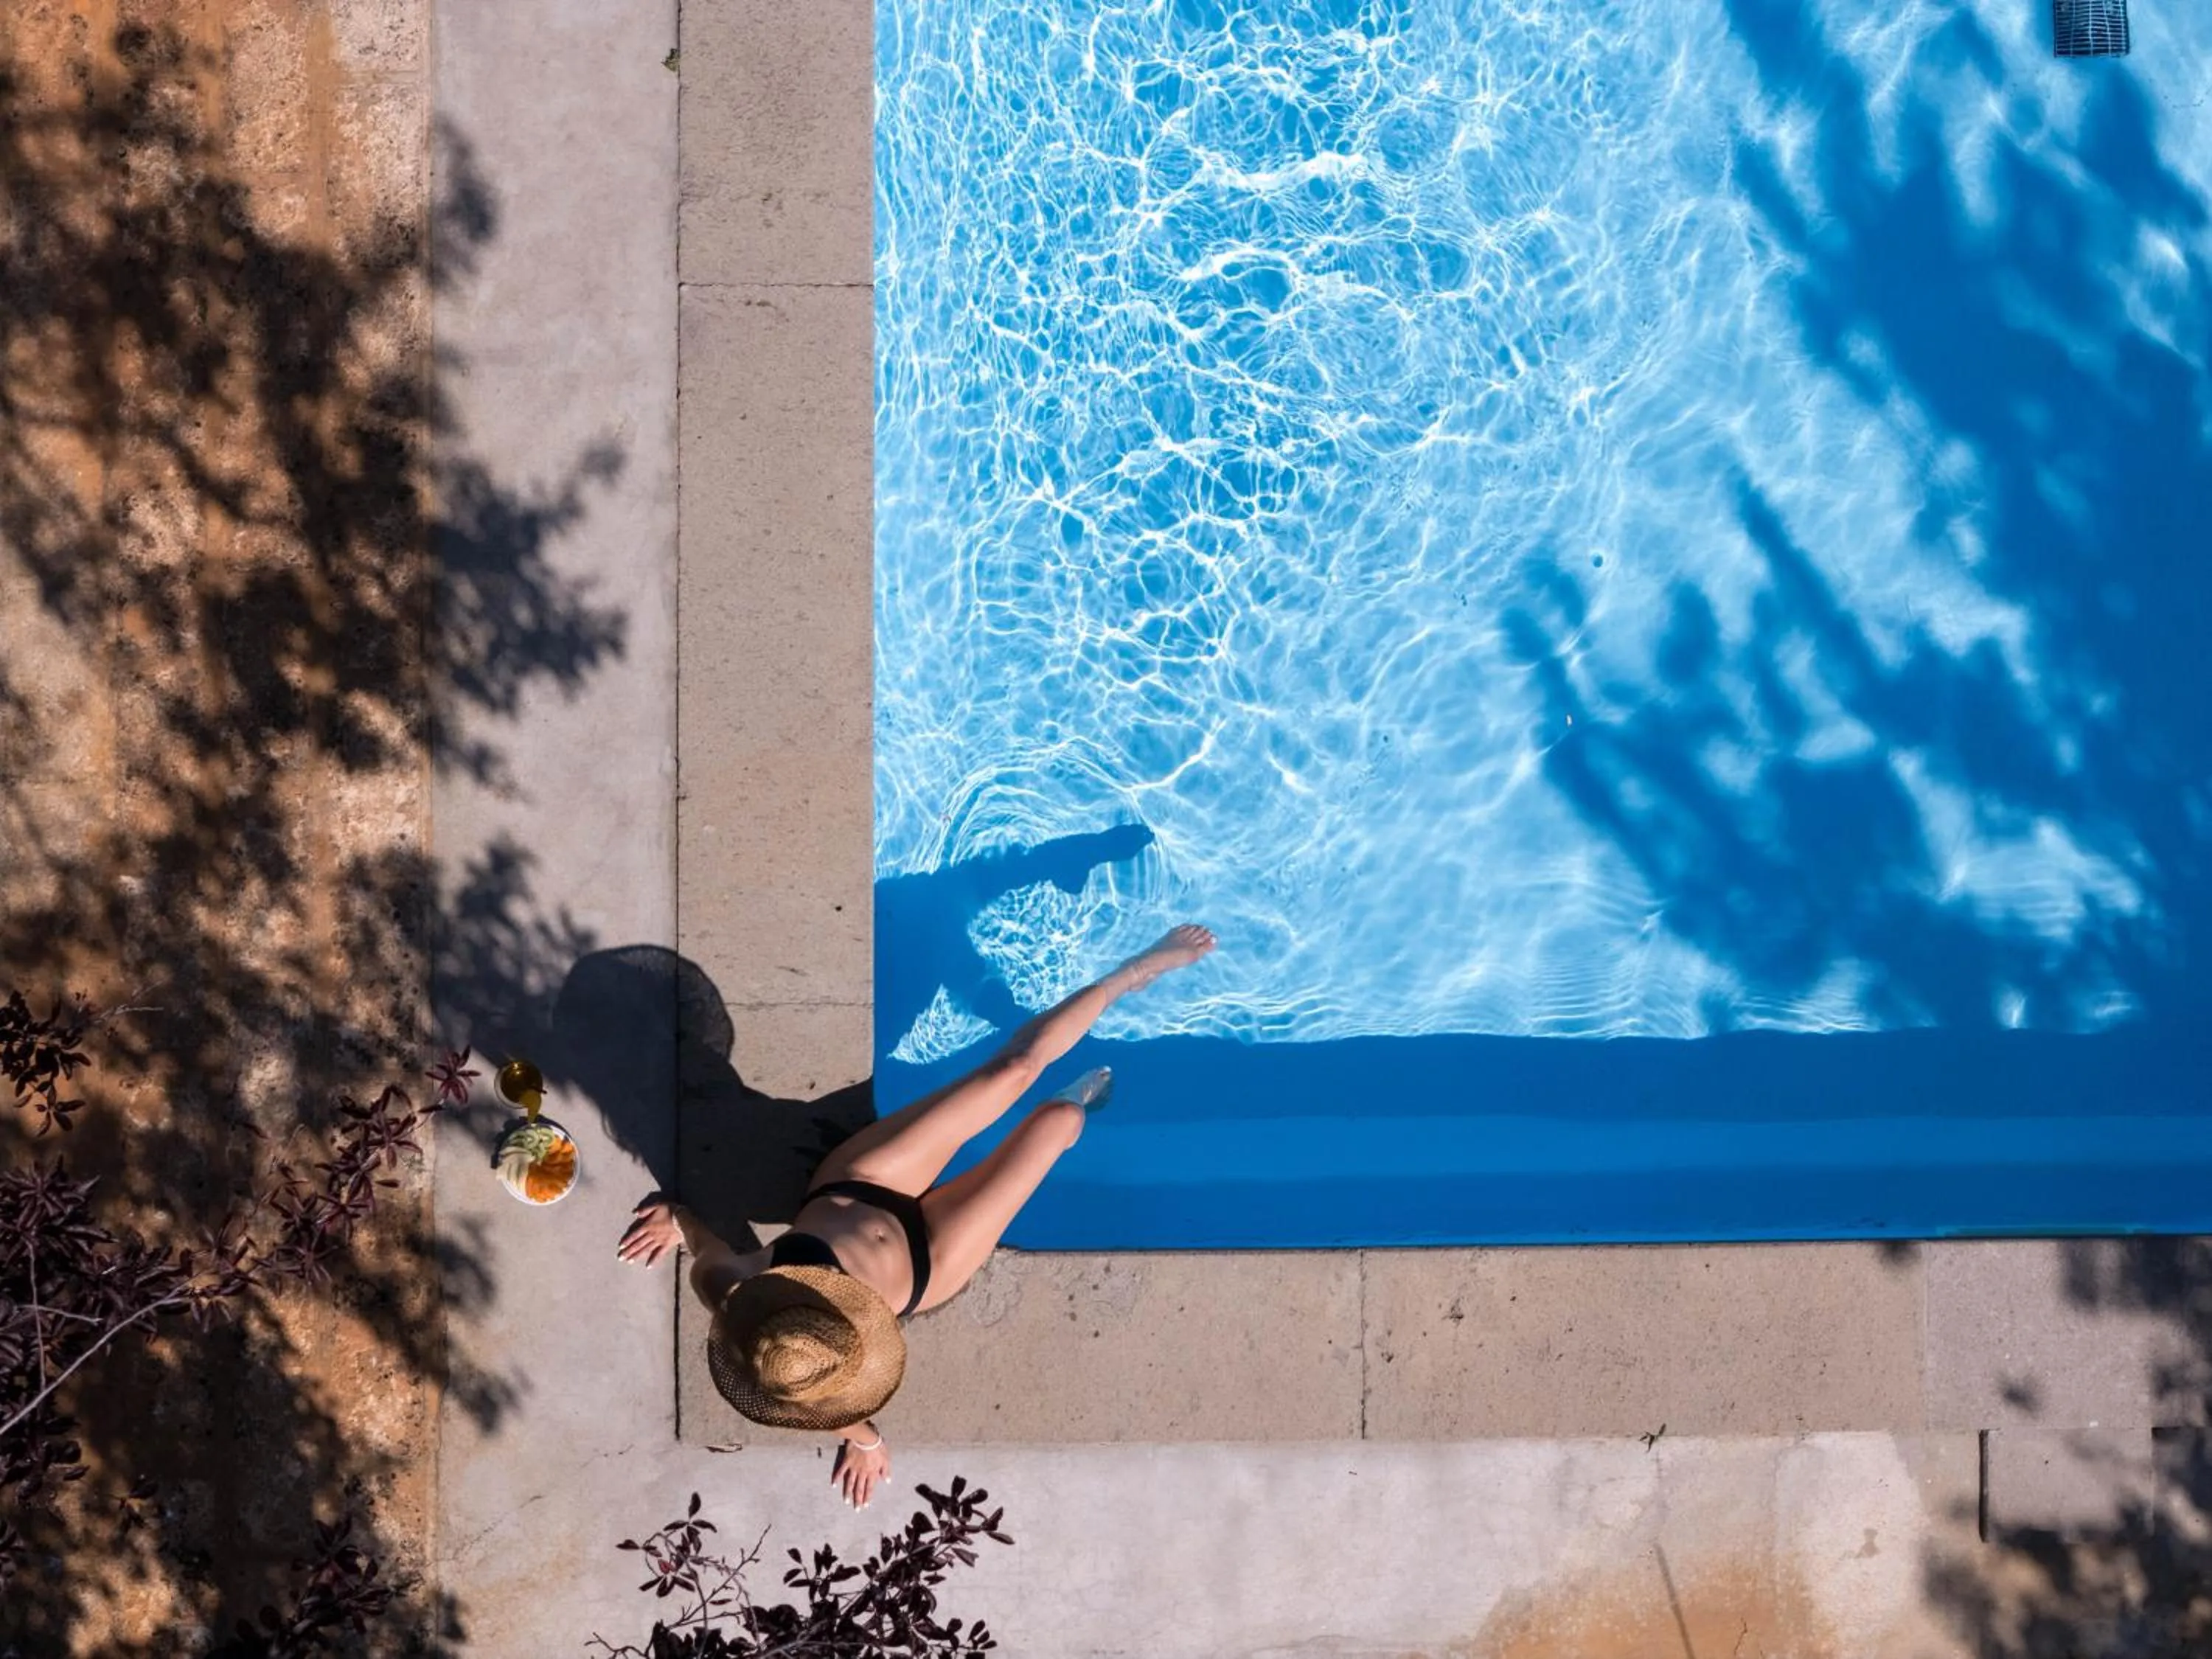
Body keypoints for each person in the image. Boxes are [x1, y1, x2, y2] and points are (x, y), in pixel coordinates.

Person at [616, 923, 1217, 1509]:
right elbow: (822, 1402)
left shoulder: (725, 1285)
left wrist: (679, 1219)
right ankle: (1081, 1094)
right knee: (1057, 1124)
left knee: (1013, 1070)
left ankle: (1133, 974)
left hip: (862, 1186)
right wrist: (869, 1444)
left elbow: (701, 1236)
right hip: (930, 1260)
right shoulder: (801, 1368)